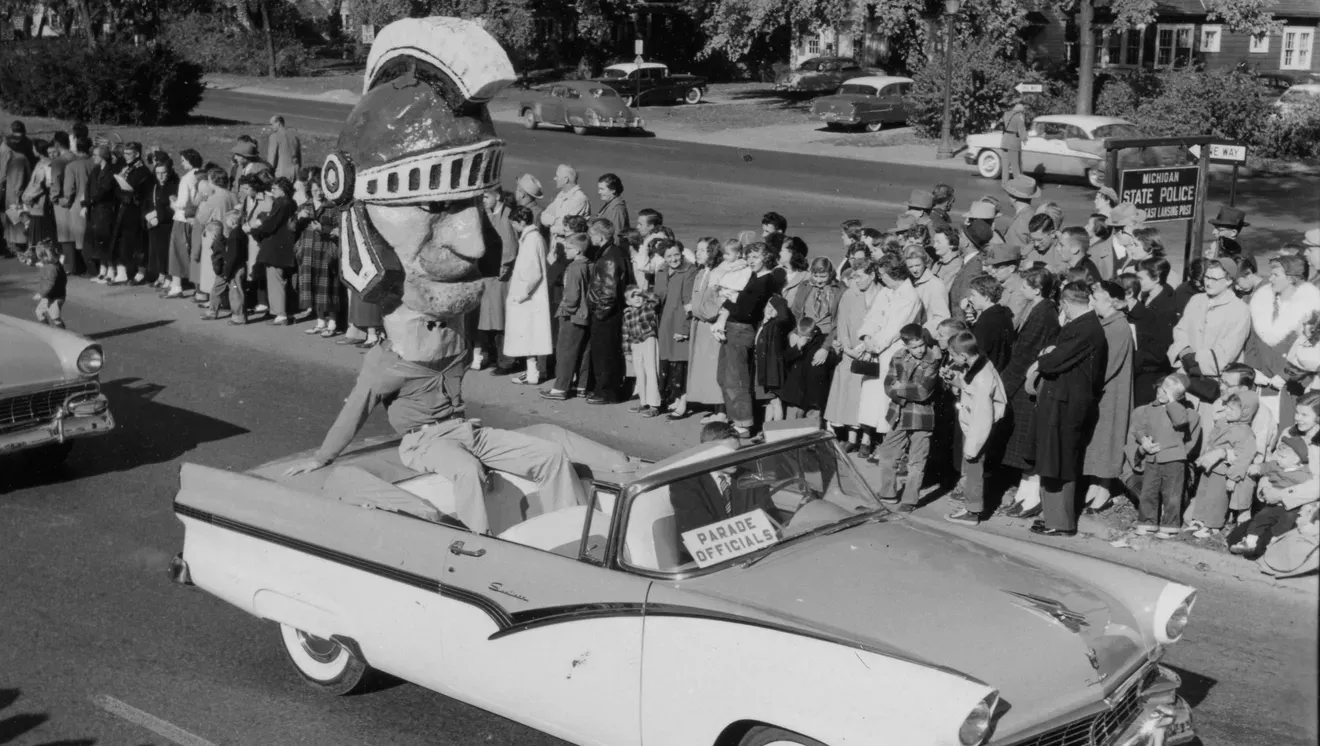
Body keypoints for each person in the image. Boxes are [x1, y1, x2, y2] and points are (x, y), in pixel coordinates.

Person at [283, 16, 587, 533]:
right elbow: (353, 415)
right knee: (468, 475)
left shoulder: (455, 330)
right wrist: (322, 457)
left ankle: (577, 541)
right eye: (432, 202)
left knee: (551, 459)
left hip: (464, 428)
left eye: (472, 204)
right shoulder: (386, 364)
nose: (472, 242)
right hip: (427, 443)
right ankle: (472, 554)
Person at [1029, 282, 1107, 537]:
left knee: (1060, 460)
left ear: (1066, 303)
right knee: (1055, 459)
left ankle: (1060, 522)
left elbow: (1051, 363)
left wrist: (1044, 355)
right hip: (1062, 401)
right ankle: (1052, 516)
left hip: (1066, 404)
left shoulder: (1084, 329)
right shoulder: (1083, 327)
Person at [999, 268, 1060, 518]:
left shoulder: (1043, 314)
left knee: (1027, 444)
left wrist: (1004, 385)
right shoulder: (1038, 308)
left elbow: (1024, 354)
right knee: (1024, 445)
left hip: (1027, 386)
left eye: (1025, 285)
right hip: (1025, 383)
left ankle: (1032, 497)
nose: (1020, 288)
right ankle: (1024, 494)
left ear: (1037, 289)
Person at [670, 421, 779, 547]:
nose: (736, 459)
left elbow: (770, 517)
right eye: (725, 453)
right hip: (708, 560)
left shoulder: (751, 476)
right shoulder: (685, 484)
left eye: (737, 452)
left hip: (754, 552)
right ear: (706, 451)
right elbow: (701, 534)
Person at [1244, 255, 1320, 429]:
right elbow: (1252, 342)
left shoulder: (1312, 307)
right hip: (1262, 381)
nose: (1270, 279)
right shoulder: (1261, 302)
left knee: (1286, 429)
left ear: (1292, 278)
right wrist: (1253, 370)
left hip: (1292, 385)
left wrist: (1285, 375)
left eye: (1276, 275)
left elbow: (1311, 349)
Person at [713, 242, 779, 438]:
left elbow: (746, 312)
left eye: (755, 257)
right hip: (734, 329)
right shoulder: (753, 276)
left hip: (742, 331)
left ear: (765, 258)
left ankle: (743, 424)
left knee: (736, 380)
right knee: (724, 376)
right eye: (749, 257)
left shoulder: (765, 280)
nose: (751, 261)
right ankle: (737, 419)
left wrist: (725, 303)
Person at [855, 254, 923, 444]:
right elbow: (873, 316)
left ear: (892, 274)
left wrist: (874, 345)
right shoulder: (886, 292)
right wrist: (867, 337)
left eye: (882, 274)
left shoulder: (910, 296)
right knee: (873, 399)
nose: (880, 277)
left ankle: (892, 445)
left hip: (894, 352)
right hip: (875, 349)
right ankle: (879, 441)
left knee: (890, 399)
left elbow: (895, 328)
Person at [874, 323, 942, 510]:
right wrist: (898, 390)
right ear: (906, 346)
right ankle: (888, 493)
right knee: (888, 454)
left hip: (921, 416)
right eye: (914, 347)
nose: (920, 350)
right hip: (898, 412)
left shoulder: (932, 360)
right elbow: (888, 383)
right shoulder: (898, 356)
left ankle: (910, 500)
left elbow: (923, 392)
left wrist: (899, 387)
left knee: (917, 460)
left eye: (922, 345)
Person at [1125, 373, 1201, 538]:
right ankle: (1147, 522)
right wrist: (1143, 440)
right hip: (1153, 457)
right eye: (1158, 391)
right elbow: (1140, 427)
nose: (1158, 395)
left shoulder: (1183, 411)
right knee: (1148, 492)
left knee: (1172, 495)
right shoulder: (1150, 409)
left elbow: (1180, 422)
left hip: (1174, 459)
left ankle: (1169, 525)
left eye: (1163, 392)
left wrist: (1172, 402)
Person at [1170, 259, 1251, 411]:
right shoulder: (1196, 300)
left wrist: (1196, 361)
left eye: (1214, 279)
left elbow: (1228, 351)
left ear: (1228, 281)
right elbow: (1181, 330)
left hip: (1214, 385)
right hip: (1186, 377)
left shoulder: (1240, 310)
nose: (1208, 283)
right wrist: (1185, 353)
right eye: (1206, 277)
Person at [1082, 281, 1135, 513]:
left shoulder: (1118, 327)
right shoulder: (1108, 323)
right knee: (1098, 441)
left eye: (1096, 298)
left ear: (1111, 301)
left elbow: (1107, 364)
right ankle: (1095, 484)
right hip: (1104, 391)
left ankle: (1104, 487)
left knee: (1108, 440)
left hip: (1112, 394)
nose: (1092, 302)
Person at [945, 330, 1008, 525]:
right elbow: (966, 387)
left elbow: (982, 415)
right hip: (972, 427)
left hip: (977, 430)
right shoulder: (977, 365)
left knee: (973, 469)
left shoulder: (982, 378)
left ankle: (972, 512)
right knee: (972, 469)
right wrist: (952, 379)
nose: (950, 359)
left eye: (952, 355)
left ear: (963, 355)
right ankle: (970, 506)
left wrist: (972, 447)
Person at [1226, 436, 1317, 558]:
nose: (1278, 459)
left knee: (1285, 523)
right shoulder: (1276, 465)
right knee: (1259, 518)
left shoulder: (1304, 475)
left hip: (1291, 507)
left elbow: (1311, 492)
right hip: (1272, 504)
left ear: (1296, 460)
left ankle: (1275, 543)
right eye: (1278, 456)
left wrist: (1307, 508)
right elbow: (1265, 467)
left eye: (1282, 457)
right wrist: (1258, 470)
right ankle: (1249, 542)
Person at [1187, 392, 1259, 538]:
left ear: (1245, 412)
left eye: (1232, 410)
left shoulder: (1245, 433)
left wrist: (1233, 477)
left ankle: (1213, 524)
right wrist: (1204, 456)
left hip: (1223, 471)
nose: (1226, 411)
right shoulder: (1223, 423)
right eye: (1227, 408)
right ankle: (1199, 519)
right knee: (1203, 494)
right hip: (1209, 467)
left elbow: (1244, 457)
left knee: (1217, 499)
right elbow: (1211, 441)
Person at [541, 233, 594, 401]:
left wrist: (564, 311)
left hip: (572, 316)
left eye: (568, 248)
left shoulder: (573, 268)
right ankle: (581, 386)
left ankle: (560, 388)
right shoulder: (590, 264)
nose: (565, 252)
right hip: (586, 315)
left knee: (565, 352)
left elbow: (572, 297)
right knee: (584, 352)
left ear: (577, 250)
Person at [504, 204, 553, 385]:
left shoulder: (530, 240)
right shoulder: (535, 237)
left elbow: (533, 273)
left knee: (528, 334)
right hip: (536, 296)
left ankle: (532, 373)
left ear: (522, 222)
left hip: (529, 297)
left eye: (515, 224)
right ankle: (539, 370)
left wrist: (520, 295)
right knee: (535, 334)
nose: (514, 228)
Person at [586, 218, 629, 404]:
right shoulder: (613, 252)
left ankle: (605, 392)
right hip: (611, 312)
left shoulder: (609, 258)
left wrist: (599, 313)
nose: (590, 238)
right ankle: (605, 390)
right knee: (608, 353)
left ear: (600, 236)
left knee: (605, 354)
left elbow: (609, 292)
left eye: (592, 234)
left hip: (606, 314)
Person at [245, 176, 298, 325]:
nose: (271, 191)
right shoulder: (290, 202)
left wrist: (253, 229)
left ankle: (280, 314)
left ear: (283, 190)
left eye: (274, 188)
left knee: (276, 281)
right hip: (283, 246)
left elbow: (271, 224)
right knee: (280, 280)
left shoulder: (281, 203)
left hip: (276, 247)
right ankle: (282, 312)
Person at [475, 186, 518, 372]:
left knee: (500, 319)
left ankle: (505, 361)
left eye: (486, 196)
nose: (483, 200)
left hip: (500, 276)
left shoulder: (507, 215)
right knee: (488, 319)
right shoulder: (489, 213)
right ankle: (492, 357)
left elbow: (510, 246)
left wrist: (504, 267)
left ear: (497, 196)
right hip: (488, 274)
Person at [685, 238, 728, 419]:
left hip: (711, 326)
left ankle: (722, 411)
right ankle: (716, 409)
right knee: (705, 367)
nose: (698, 253)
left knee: (715, 367)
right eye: (697, 250)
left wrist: (698, 311)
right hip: (700, 324)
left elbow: (720, 301)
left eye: (703, 250)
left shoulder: (719, 273)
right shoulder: (701, 272)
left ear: (712, 252)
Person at [295, 175, 341, 337]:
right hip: (307, 251)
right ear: (310, 191)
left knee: (328, 288)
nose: (318, 193)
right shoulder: (304, 206)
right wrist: (299, 218)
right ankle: (321, 322)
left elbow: (340, 230)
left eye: (321, 189)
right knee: (314, 287)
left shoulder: (333, 208)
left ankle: (333, 323)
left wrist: (324, 229)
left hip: (326, 251)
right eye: (315, 190)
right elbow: (291, 227)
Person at [655, 239, 697, 417]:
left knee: (682, 364)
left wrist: (685, 328)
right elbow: (658, 296)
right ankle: (676, 397)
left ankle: (684, 401)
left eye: (676, 254)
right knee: (670, 363)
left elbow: (689, 302)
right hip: (665, 322)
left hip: (679, 322)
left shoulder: (689, 271)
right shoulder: (662, 270)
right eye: (669, 256)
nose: (674, 259)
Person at [1129, 256, 1178, 407]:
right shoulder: (1145, 298)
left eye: (1141, 278)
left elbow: (1161, 350)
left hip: (1151, 375)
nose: (1137, 282)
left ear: (1156, 278)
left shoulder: (1166, 308)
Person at [109, 142, 152, 285]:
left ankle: (140, 273)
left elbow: (138, 190)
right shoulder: (127, 168)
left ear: (137, 154)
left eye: (128, 154)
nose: (125, 157)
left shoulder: (142, 170)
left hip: (137, 210)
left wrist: (126, 192)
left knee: (137, 243)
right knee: (123, 241)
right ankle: (122, 272)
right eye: (125, 153)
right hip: (125, 208)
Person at [781, 316, 836, 421]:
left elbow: (829, 362)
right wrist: (797, 347)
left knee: (812, 424)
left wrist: (834, 352)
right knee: (792, 421)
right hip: (796, 390)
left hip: (814, 390)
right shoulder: (794, 338)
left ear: (813, 331)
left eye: (806, 336)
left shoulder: (822, 341)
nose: (803, 338)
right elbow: (786, 358)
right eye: (800, 335)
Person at [166, 149, 204, 297]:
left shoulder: (187, 178)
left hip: (182, 219)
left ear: (189, 160)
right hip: (197, 218)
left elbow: (182, 203)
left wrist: (172, 203)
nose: (181, 163)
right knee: (193, 251)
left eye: (183, 160)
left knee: (176, 252)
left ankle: (176, 286)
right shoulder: (203, 175)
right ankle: (198, 288)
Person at [623, 286, 662, 416]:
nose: (637, 298)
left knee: (651, 372)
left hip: (648, 341)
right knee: (640, 374)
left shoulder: (648, 308)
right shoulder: (627, 315)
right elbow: (625, 335)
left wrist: (643, 292)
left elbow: (656, 300)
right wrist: (627, 352)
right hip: (636, 345)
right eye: (632, 296)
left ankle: (654, 405)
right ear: (628, 302)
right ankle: (643, 402)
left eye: (638, 295)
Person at [964, 275, 1015, 372]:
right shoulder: (1003, 314)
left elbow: (979, 356)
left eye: (973, 295)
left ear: (986, 297)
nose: (970, 298)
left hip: (987, 373)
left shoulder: (986, 321)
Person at [203, 212, 246, 323]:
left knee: (235, 293)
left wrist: (226, 271)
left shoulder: (234, 236)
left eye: (227, 221)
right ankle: (216, 311)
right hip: (233, 268)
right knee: (231, 291)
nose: (226, 223)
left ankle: (238, 316)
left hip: (231, 269)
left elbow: (232, 256)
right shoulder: (239, 234)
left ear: (232, 222)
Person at [84, 144, 117, 283]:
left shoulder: (110, 171)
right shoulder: (95, 170)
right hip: (95, 210)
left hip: (105, 209)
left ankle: (111, 269)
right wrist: (86, 203)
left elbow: (104, 190)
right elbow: (88, 188)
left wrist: (91, 200)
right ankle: (102, 268)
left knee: (106, 240)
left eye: (95, 155)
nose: (93, 158)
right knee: (98, 241)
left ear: (103, 156)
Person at [145, 157, 178, 292]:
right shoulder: (154, 187)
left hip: (167, 224)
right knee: (157, 251)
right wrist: (148, 216)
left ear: (168, 172)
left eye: (163, 173)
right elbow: (148, 204)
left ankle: (168, 277)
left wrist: (161, 215)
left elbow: (172, 207)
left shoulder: (173, 187)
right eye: (158, 173)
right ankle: (161, 275)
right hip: (155, 223)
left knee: (166, 252)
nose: (161, 176)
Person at [541, 164, 591, 249]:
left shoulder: (580, 199)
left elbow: (566, 227)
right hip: (555, 247)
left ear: (566, 179)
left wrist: (552, 223)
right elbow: (543, 216)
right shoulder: (561, 195)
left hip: (569, 249)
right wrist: (556, 221)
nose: (554, 178)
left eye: (557, 176)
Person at [904, 246, 949, 334]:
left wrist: (924, 332)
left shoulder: (935, 284)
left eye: (917, 265)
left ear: (924, 262)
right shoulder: (909, 283)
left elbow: (943, 317)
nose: (914, 270)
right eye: (910, 266)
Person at [32, 241, 67, 328]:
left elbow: (49, 284)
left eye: (41, 258)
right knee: (39, 312)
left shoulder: (52, 268)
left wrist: (41, 294)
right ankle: (47, 331)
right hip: (50, 295)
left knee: (55, 317)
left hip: (55, 296)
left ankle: (63, 335)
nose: (41, 260)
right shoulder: (54, 264)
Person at [999, 95, 1028, 183]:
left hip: (1004, 142)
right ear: (1021, 110)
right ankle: (1018, 185)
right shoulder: (1020, 116)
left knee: (1005, 166)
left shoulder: (1006, 114)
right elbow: (1022, 130)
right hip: (1013, 144)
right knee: (1015, 167)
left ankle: (1004, 183)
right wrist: (1025, 139)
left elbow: (1001, 122)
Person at [266, 115, 302, 180]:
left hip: (281, 173)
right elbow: (299, 158)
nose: (271, 127)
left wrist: (269, 173)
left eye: (272, 124)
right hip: (295, 172)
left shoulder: (274, 137)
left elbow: (271, 159)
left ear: (278, 123)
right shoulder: (294, 137)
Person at [595, 173, 628, 243]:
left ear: (613, 190)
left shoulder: (617, 208)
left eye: (602, 189)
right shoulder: (611, 203)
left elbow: (617, 235)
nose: (599, 192)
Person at [1084, 214, 1115, 280]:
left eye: (1089, 224)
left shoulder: (1095, 251)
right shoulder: (1105, 247)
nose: (1085, 227)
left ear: (1098, 228)